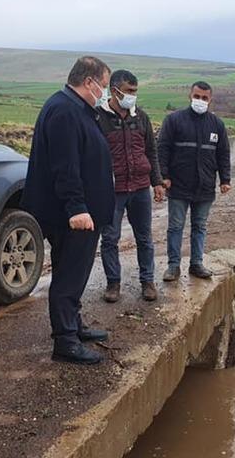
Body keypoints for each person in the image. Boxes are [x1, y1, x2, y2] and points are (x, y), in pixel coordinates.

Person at [21, 57, 115, 365]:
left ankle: (74, 326)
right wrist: (77, 207)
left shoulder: (78, 109)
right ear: (89, 82)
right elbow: (65, 167)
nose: (105, 92)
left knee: (73, 272)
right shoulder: (64, 111)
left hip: (84, 213)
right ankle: (65, 342)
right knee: (68, 278)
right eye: (103, 84)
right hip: (73, 216)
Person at [97, 70, 165, 303]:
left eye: (135, 91)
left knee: (144, 237)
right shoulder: (99, 118)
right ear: (114, 90)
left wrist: (157, 182)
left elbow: (151, 151)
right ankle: (113, 284)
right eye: (129, 91)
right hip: (112, 190)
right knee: (110, 238)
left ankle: (147, 281)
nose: (132, 96)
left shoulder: (141, 117)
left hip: (139, 188)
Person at [157, 81, 231, 282]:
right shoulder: (174, 120)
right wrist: (164, 176)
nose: (200, 101)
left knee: (200, 226)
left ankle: (196, 264)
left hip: (205, 187)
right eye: (197, 96)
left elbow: (223, 154)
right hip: (179, 186)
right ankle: (173, 266)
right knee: (175, 226)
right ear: (190, 96)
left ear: (210, 100)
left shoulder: (217, 125)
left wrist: (225, 179)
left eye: (204, 98)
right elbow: (162, 149)